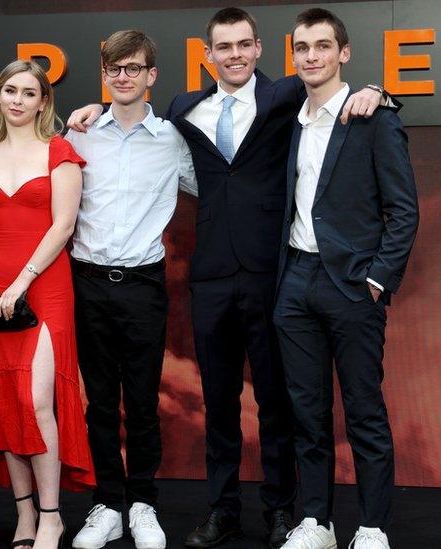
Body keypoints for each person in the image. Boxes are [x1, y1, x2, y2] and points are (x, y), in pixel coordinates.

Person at [68, 8, 391, 548]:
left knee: (277, 401)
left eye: (244, 44)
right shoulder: (184, 107)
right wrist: (95, 107)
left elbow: (334, 87)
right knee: (218, 400)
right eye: (224, 46)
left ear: (260, 49)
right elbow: (130, 111)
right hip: (212, 275)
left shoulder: (287, 95)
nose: (235, 54)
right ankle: (222, 510)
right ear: (208, 54)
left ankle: (283, 511)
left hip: (274, 274)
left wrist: (376, 92)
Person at [274, 9, 418, 549]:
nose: (311, 56)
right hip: (295, 283)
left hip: (352, 286)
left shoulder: (373, 117)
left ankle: (373, 526)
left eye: (322, 46)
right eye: (303, 48)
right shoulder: (290, 114)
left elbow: (404, 211)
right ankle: (317, 522)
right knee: (306, 412)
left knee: (363, 411)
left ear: (344, 53)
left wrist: (378, 279)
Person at [64, 31, 195, 549]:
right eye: (115, 69)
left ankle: (142, 503)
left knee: (141, 402)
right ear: (104, 75)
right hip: (87, 282)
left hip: (143, 283)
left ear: (151, 76)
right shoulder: (77, 134)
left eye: (134, 69)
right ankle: (106, 504)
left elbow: (217, 185)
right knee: (98, 402)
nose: (124, 77)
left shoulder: (172, 139)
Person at [0, 60, 95, 549]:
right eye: (10, 91)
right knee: (4, 403)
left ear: (44, 101)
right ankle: (24, 518)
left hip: (43, 285)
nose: (18, 100)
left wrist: (20, 282)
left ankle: (52, 516)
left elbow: (63, 226)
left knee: (36, 401)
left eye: (28, 93)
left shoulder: (59, 151)